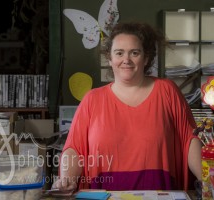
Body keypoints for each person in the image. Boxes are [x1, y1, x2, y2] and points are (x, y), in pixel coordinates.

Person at [52, 21, 202, 192]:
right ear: (110, 59)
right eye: (119, 53)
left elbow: (189, 140)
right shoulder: (92, 99)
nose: (126, 60)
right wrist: (66, 180)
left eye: (134, 53)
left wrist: (207, 181)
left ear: (146, 58)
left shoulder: (167, 91)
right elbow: (74, 149)